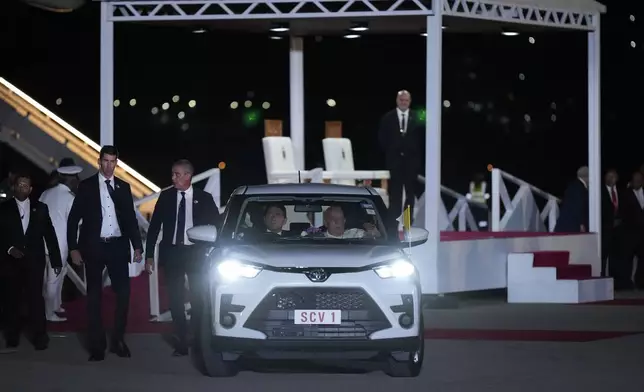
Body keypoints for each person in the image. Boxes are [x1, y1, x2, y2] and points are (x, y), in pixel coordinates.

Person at [67, 145, 143, 362]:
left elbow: (130, 220)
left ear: (116, 163)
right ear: (99, 162)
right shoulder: (87, 186)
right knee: (94, 297)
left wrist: (137, 246)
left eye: (113, 162)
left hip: (118, 247)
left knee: (124, 294)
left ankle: (118, 340)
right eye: (106, 161)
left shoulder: (123, 187)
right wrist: (73, 248)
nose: (109, 166)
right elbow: (73, 219)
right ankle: (97, 346)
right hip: (94, 247)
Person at [144, 159, 220, 356]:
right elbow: (154, 227)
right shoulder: (166, 197)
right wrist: (149, 255)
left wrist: (212, 252)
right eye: (172, 174)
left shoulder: (204, 198)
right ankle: (181, 340)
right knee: (176, 299)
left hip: (196, 253)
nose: (173, 178)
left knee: (198, 298)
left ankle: (197, 337)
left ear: (188, 176)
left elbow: (215, 227)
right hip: (173, 253)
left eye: (177, 174)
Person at [0, 171, 62, 351]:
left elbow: (50, 235)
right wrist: (9, 249)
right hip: (10, 263)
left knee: (35, 300)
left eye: (26, 185)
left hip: (34, 262)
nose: (22, 188)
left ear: (31, 189)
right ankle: (12, 336)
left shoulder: (41, 208)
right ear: (14, 187)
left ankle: (40, 337)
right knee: (12, 300)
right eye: (19, 185)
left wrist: (56, 260)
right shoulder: (4, 209)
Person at [39, 162, 83, 322]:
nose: (78, 181)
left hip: (42, 242)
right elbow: (76, 223)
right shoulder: (70, 198)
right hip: (59, 244)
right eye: (76, 178)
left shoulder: (46, 193)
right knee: (54, 278)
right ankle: (49, 313)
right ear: (71, 180)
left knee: (52, 276)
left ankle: (56, 304)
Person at [378, 90, 422, 222]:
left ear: (410, 101)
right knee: (395, 196)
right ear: (397, 101)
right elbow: (382, 139)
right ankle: (392, 226)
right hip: (394, 163)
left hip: (412, 164)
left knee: (410, 196)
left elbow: (422, 139)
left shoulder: (417, 117)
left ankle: (407, 224)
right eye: (401, 100)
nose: (404, 102)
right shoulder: (388, 118)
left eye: (406, 100)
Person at [622, 171, 644, 290]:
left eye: (640, 180)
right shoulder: (626, 194)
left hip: (643, 233)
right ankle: (627, 283)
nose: (637, 182)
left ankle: (640, 282)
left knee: (642, 259)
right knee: (628, 259)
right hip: (630, 233)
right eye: (635, 180)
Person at [303, 205, 380, 239]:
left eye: (340, 219)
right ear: (326, 223)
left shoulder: (356, 234)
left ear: (344, 221)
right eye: (333, 219)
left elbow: (376, 238)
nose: (337, 222)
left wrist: (371, 228)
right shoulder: (317, 239)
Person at [554, 166, 589, 233]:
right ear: (586, 176)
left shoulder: (572, 185)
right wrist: (581, 223)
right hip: (573, 224)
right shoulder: (580, 188)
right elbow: (579, 205)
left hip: (564, 223)